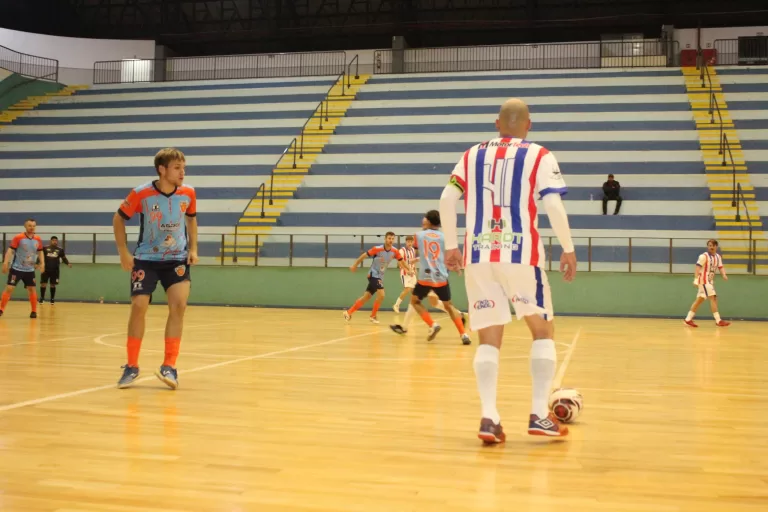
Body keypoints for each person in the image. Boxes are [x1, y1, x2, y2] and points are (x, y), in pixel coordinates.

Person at [439, 98, 577, 444]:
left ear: (496, 123)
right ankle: (537, 414)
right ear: (528, 125)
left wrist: (451, 246)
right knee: (543, 331)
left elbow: (446, 200)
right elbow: (552, 203)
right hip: (521, 255)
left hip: (477, 256)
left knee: (488, 338)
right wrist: (569, 248)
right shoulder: (539, 155)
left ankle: (489, 419)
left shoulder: (470, 156)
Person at [113, 148, 199, 390]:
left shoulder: (188, 193)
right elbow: (118, 218)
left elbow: (191, 219)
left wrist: (193, 249)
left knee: (179, 306)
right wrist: (123, 252)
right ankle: (131, 366)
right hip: (146, 259)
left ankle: (169, 366)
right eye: (177, 168)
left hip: (177, 259)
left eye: (184, 168)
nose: (182, 172)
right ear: (162, 169)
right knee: (139, 305)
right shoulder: (141, 194)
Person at [390, 210, 471, 345]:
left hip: (425, 277)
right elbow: (448, 253)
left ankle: (432, 325)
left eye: (425, 218)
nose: (423, 220)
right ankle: (464, 335)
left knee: (415, 301)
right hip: (441, 277)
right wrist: (457, 266)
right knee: (449, 306)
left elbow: (421, 249)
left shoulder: (418, 235)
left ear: (427, 221)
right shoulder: (445, 237)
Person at [344, 231, 409, 324]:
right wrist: (355, 265)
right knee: (382, 295)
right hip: (373, 275)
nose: (391, 240)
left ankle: (348, 312)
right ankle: (373, 316)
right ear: (385, 239)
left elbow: (402, 261)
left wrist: (409, 269)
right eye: (389, 238)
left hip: (380, 277)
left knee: (366, 297)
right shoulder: (377, 249)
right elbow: (364, 255)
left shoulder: (395, 251)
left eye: (392, 239)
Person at [0, 219, 44, 319]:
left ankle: (34, 311)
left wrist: (43, 263)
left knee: (32, 289)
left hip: (30, 270)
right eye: (29, 225)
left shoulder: (38, 239)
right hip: (17, 269)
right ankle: (1, 309)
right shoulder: (18, 237)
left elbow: (40, 252)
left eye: (33, 226)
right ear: (25, 226)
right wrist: (6, 263)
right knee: (10, 288)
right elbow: (10, 250)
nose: (31, 227)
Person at [684, 239, 730, 327]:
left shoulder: (718, 257)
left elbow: (720, 267)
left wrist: (724, 275)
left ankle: (688, 319)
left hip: (710, 281)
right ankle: (718, 320)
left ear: (716, 246)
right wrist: (696, 279)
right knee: (713, 298)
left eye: (712, 245)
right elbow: (697, 267)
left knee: (700, 299)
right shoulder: (703, 256)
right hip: (703, 281)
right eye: (709, 245)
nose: (711, 247)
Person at [39, 236, 71, 305]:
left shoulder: (60, 249)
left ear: (57, 241)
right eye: (53, 240)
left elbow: (64, 258)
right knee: (43, 284)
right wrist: (37, 264)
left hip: (55, 270)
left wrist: (68, 263)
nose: (54, 241)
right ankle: (42, 298)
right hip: (45, 270)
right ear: (50, 241)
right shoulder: (45, 248)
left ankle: (52, 299)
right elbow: (40, 257)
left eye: (56, 240)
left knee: (53, 285)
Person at [393, 235, 418, 313]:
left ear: (413, 242)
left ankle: (412, 307)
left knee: (414, 291)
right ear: (406, 242)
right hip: (405, 273)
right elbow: (399, 262)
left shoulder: (413, 250)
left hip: (412, 272)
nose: (410, 243)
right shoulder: (402, 250)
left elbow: (412, 261)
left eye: (411, 241)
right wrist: (406, 270)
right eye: (408, 242)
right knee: (407, 289)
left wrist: (415, 268)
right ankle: (396, 305)